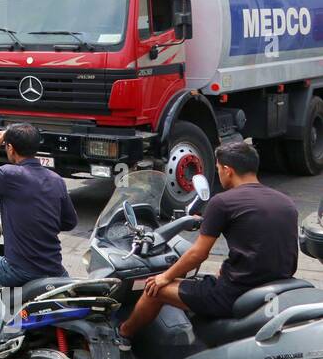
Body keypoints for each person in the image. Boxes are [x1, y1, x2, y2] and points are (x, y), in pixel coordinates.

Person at [118, 142, 300, 343]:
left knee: (155, 289)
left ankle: (123, 337)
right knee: (207, 279)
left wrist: (165, 276)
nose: (219, 174)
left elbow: (198, 254)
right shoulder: (286, 202)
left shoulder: (223, 202)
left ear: (227, 170)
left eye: (218, 169)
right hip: (277, 285)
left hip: (235, 292)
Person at [0, 124, 75, 337]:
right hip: (54, 268)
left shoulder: (9, 174)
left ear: (10, 149)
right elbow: (69, 223)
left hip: (19, 269)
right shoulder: (56, 180)